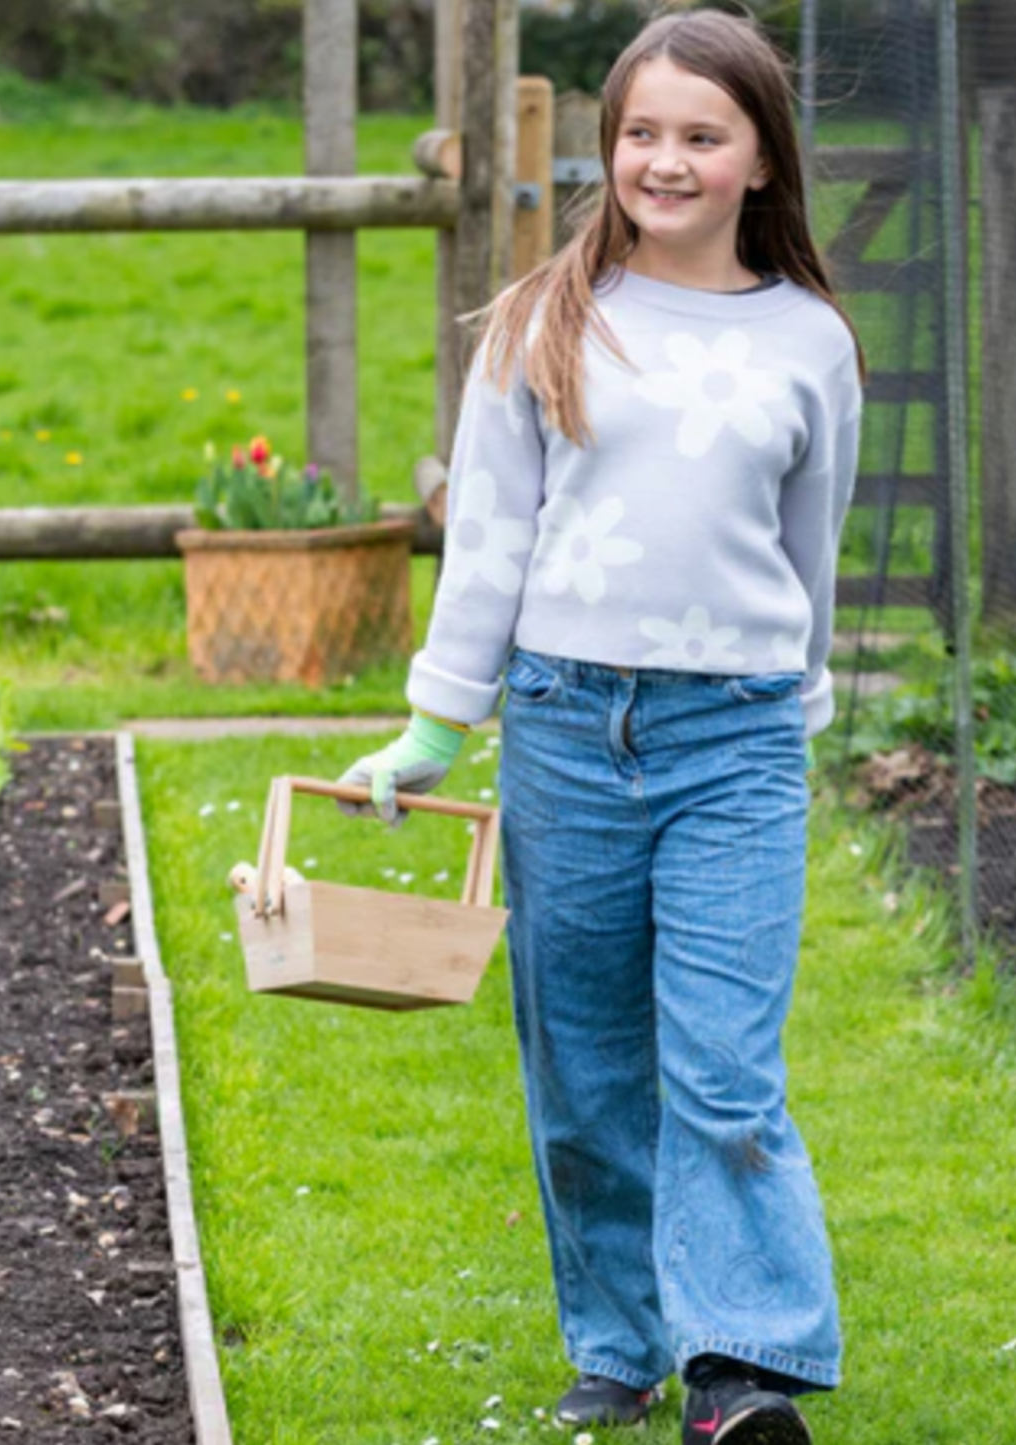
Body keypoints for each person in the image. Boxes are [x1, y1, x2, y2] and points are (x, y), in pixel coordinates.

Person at [341, 8, 863, 1442]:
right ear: (609, 146)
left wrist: (795, 714)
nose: (666, 160)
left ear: (762, 158)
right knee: (583, 1070)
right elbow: (492, 546)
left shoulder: (809, 342)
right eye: (643, 133)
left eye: (703, 135)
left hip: (738, 747)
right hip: (569, 733)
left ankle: (744, 1372)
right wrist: (437, 731)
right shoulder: (544, 322)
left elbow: (808, 555)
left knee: (722, 1072)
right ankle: (621, 1344)